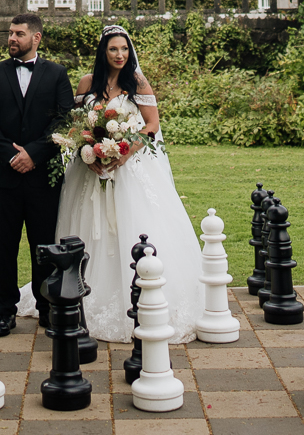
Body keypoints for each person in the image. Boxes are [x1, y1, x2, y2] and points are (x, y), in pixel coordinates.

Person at [53, 23, 205, 342]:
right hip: (91, 172)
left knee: (134, 227)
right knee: (90, 229)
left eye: (124, 48)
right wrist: (88, 152)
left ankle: (139, 296)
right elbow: (76, 126)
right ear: (103, 52)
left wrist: (123, 151)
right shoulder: (86, 83)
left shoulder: (137, 81)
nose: (120, 54)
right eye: (113, 49)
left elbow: (151, 124)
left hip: (131, 168)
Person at [0, 11, 74, 336]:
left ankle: (46, 309)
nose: (12, 38)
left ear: (36, 38)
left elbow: (64, 120)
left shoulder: (57, 74)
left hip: (43, 177)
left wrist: (34, 153)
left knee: (43, 246)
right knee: (3, 246)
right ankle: (4, 311)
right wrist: (11, 155)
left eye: (18, 33)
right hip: (2, 177)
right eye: (10, 33)